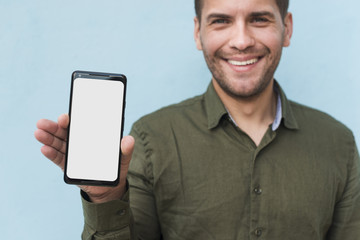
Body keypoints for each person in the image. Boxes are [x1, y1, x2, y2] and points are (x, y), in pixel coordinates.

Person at [34, 0, 360, 239]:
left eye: (259, 19)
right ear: (198, 33)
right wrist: (105, 199)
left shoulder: (338, 143)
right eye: (221, 21)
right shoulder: (151, 139)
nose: (242, 40)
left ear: (286, 28)